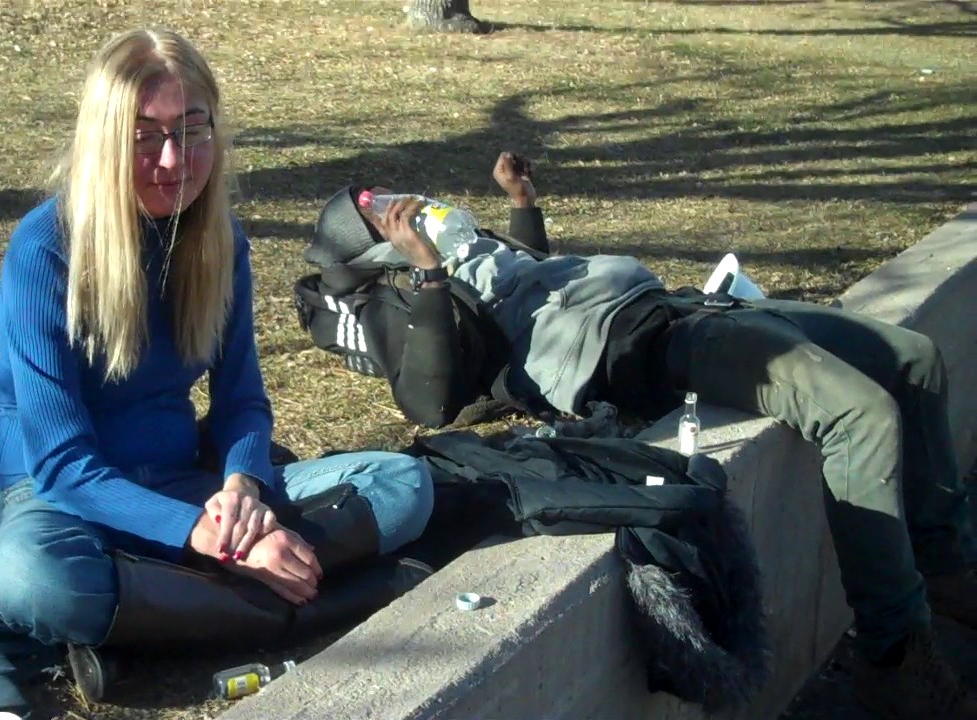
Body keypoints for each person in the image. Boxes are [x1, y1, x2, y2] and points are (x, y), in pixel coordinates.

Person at [300, 151, 977, 719]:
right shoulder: (403, 295)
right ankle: (893, 656)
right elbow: (430, 397)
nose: (404, 204)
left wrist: (522, 206)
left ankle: (943, 562)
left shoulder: (470, 255)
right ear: (372, 249)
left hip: (691, 305)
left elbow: (528, 288)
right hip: (654, 347)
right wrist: (426, 270)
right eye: (379, 210)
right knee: (859, 415)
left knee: (912, 358)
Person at [0, 28, 433, 701]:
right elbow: (59, 464)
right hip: (59, 501)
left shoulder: (220, 240)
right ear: (105, 138)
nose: (173, 158)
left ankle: (156, 617)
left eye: (192, 130)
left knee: (403, 485)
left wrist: (242, 490)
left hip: (183, 481)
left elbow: (241, 402)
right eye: (144, 136)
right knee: (32, 579)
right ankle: (309, 600)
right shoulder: (45, 248)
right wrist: (217, 540)